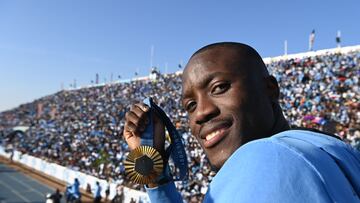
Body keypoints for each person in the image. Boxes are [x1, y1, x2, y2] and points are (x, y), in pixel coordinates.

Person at [123, 42, 360, 202]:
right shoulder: (329, 149)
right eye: (190, 106)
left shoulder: (266, 158)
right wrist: (156, 178)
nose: (201, 113)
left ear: (270, 89)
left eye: (219, 88)